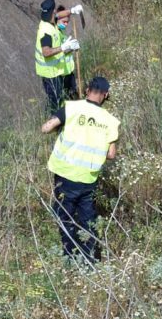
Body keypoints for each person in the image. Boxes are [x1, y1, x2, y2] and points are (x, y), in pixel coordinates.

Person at [41, 76, 119, 263]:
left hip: (64, 175)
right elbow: (111, 155)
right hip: (87, 179)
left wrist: (59, 129)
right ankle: (89, 259)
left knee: (65, 217)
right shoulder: (110, 121)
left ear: (87, 90)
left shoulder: (71, 108)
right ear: (106, 95)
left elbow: (46, 128)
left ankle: (70, 257)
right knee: (87, 220)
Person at [35, 0, 79, 113]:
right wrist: (63, 47)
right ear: (52, 12)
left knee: (58, 98)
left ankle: (57, 121)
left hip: (55, 71)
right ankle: (51, 124)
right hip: (49, 74)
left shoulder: (50, 19)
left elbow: (60, 15)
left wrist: (72, 11)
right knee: (54, 101)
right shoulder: (46, 31)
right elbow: (46, 52)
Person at [55, 5, 78, 100]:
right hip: (61, 74)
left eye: (67, 22)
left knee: (73, 95)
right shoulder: (55, 33)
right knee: (62, 99)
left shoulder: (62, 33)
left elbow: (65, 51)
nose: (66, 24)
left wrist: (73, 48)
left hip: (69, 72)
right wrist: (69, 48)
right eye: (64, 22)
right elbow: (58, 52)